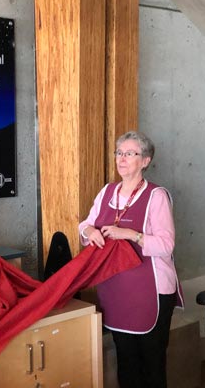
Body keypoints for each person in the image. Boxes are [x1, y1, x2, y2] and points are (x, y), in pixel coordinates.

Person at [78, 131, 183, 388]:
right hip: (116, 291)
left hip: (151, 293)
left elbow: (166, 245)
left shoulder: (156, 196)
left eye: (129, 153)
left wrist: (131, 235)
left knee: (152, 365)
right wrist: (89, 231)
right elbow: (85, 225)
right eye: (119, 153)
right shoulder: (107, 192)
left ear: (145, 161)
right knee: (126, 362)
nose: (121, 159)